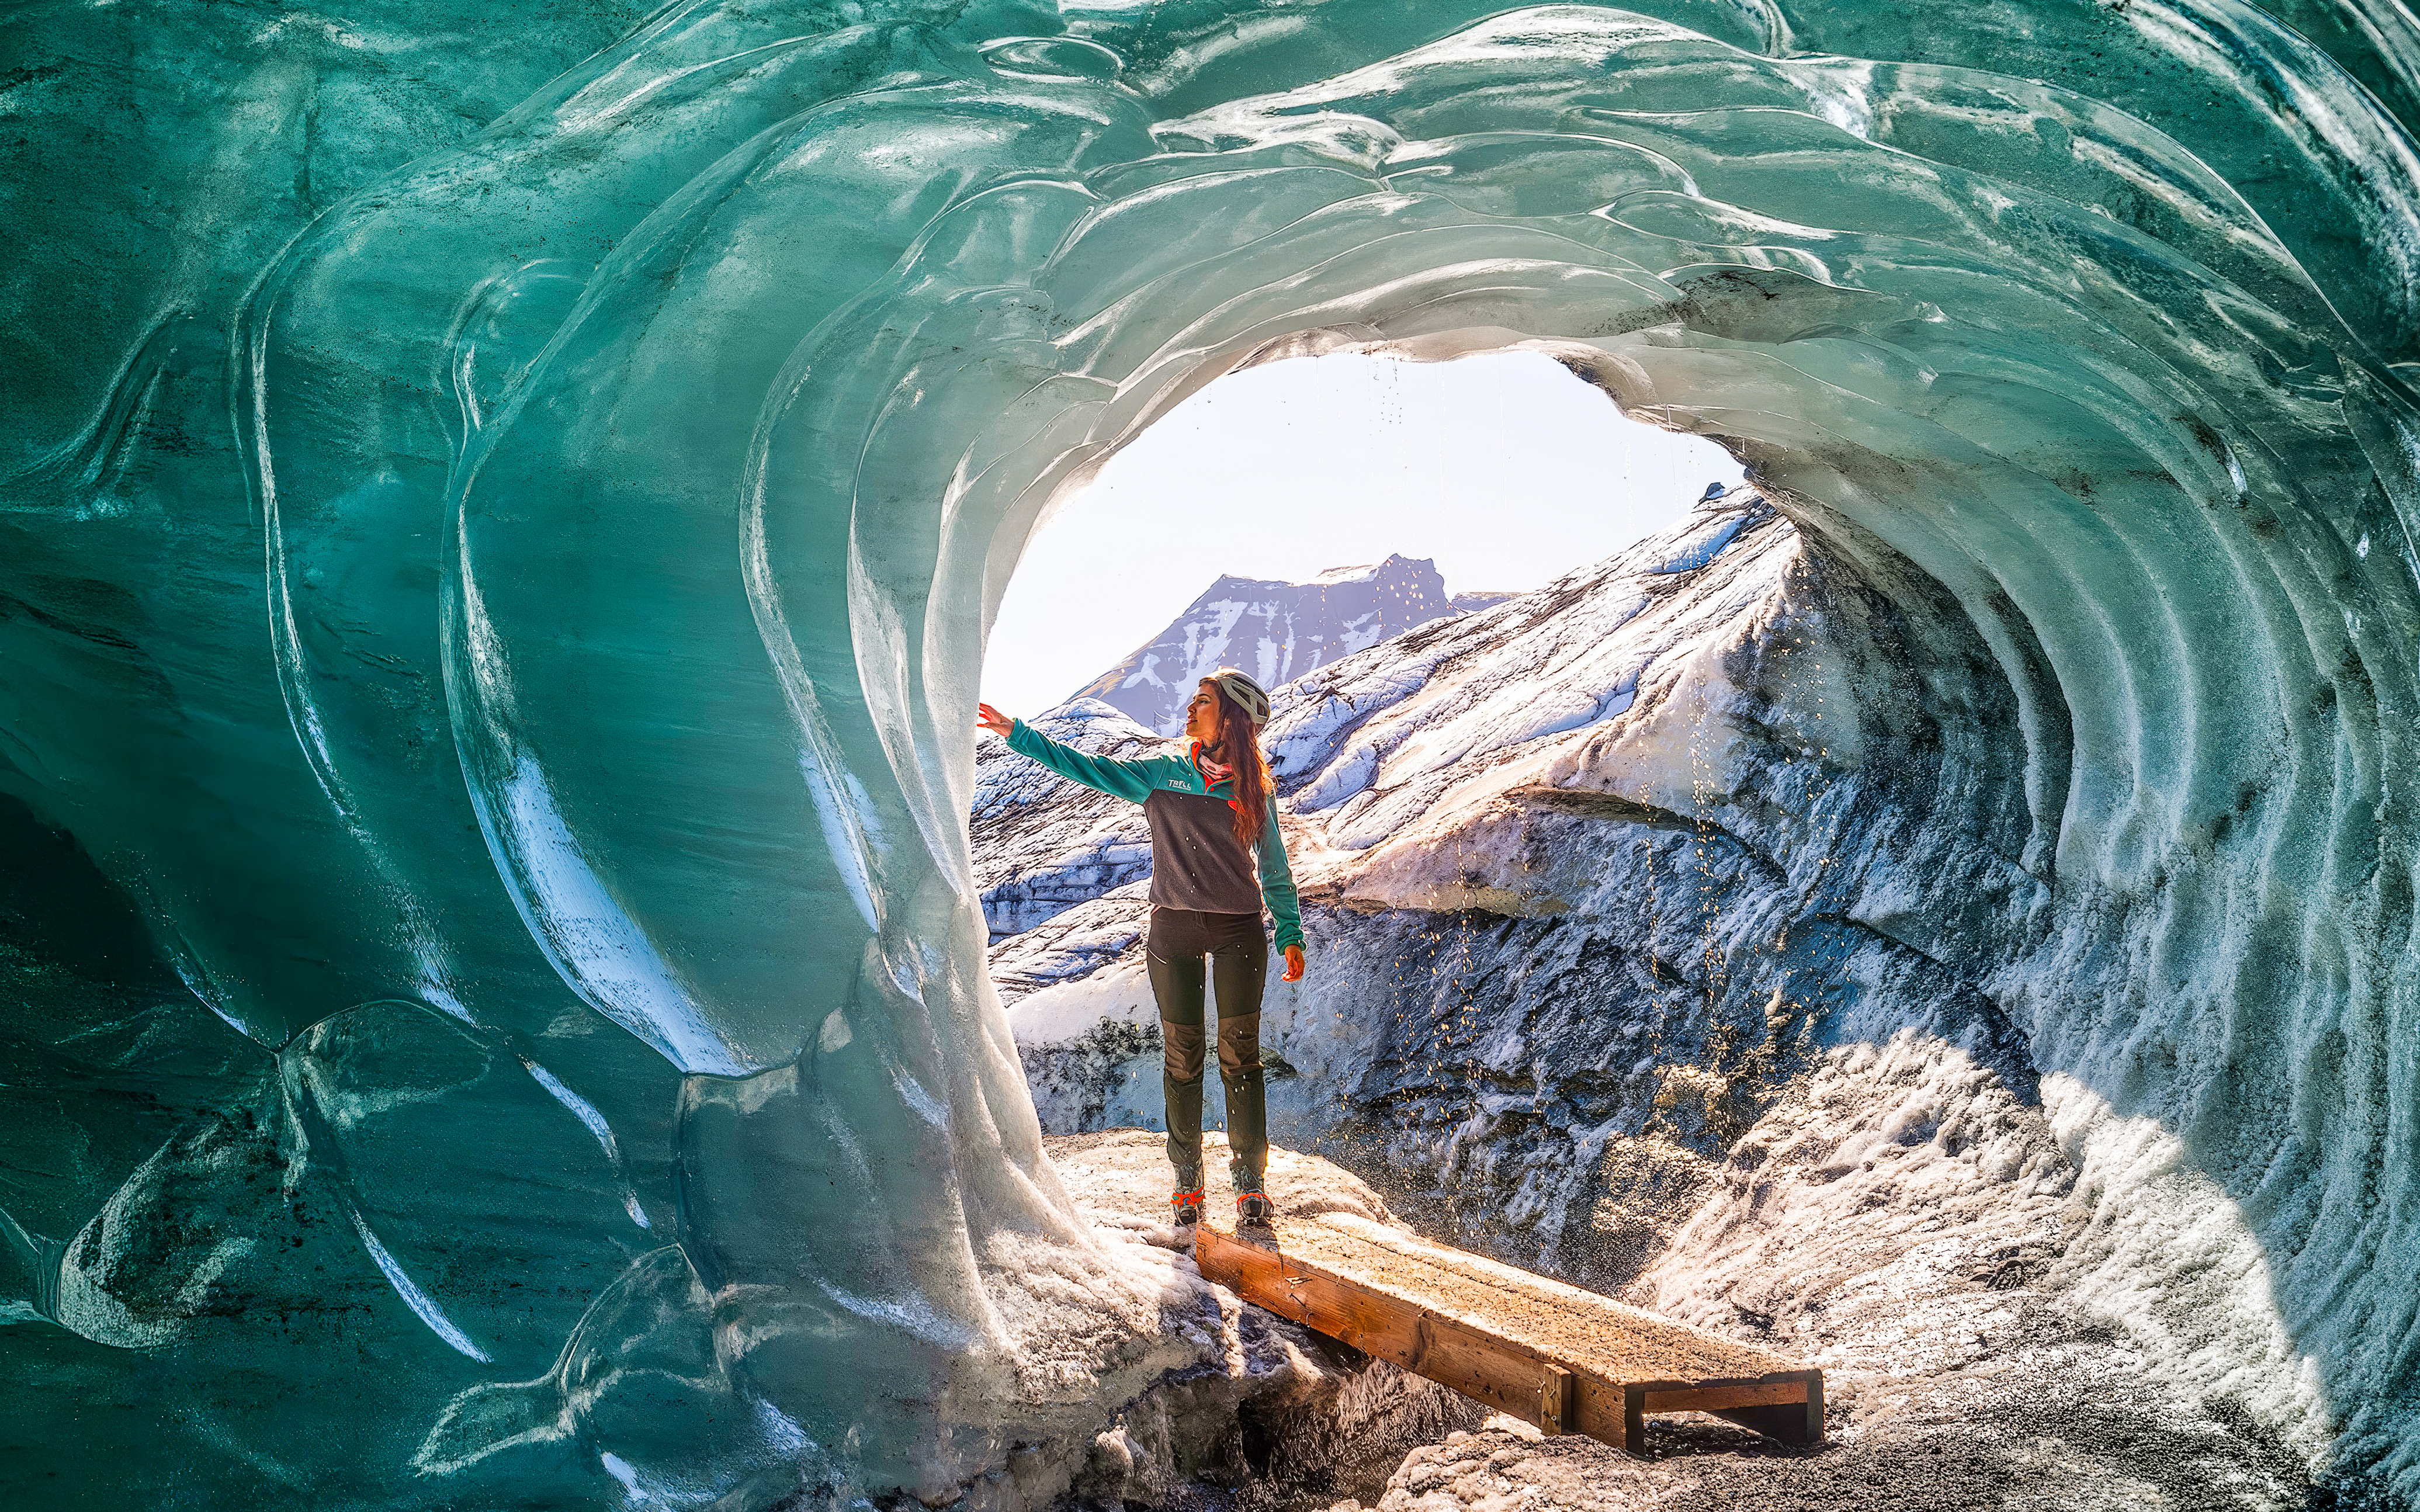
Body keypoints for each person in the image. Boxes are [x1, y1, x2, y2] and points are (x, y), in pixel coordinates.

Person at [977, 670, 1305, 1232]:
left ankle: (1250, 1186)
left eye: (1202, 702)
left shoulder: (1255, 791)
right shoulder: (1164, 774)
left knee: (1240, 1058)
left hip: (1239, 930)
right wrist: (1022, 735)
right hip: (1173, 929)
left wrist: (1291, 931)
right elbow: (1095, 771)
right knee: (1183, 1058)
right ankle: (1187, 1184)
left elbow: (1274, 867)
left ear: (1230, 719)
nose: (1190, 708)